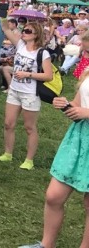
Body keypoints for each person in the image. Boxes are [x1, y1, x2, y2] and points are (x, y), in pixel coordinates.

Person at [19, 71, 89, 248]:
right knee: (53, 196)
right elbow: (79, 104)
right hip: (78, 139)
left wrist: (86, 113)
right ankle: (46, 245)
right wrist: (68, 105)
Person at [0, 22, 53, 170]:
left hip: (30, 93)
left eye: (28, 31)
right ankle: (7, 154)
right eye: (24, 30)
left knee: (29, 127)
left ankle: (29, 160)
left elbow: (48, 76)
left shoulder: (42, 53)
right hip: (14, 90)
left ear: (36, 35)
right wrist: (4, 17)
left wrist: (27, 74)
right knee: (8, 123)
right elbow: (6, 29)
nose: (24, 32)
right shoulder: (20, 44)